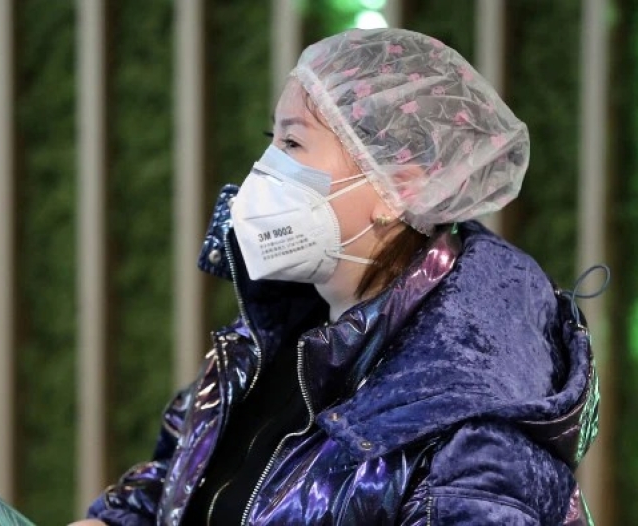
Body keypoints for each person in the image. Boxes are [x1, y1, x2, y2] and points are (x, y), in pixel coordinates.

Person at [72, 28, 599, 525]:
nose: (264, 169)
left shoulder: (473, 419)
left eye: (294, 144)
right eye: (271, 139)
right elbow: (185, 479)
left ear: (401, 188)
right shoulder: (281, 330)